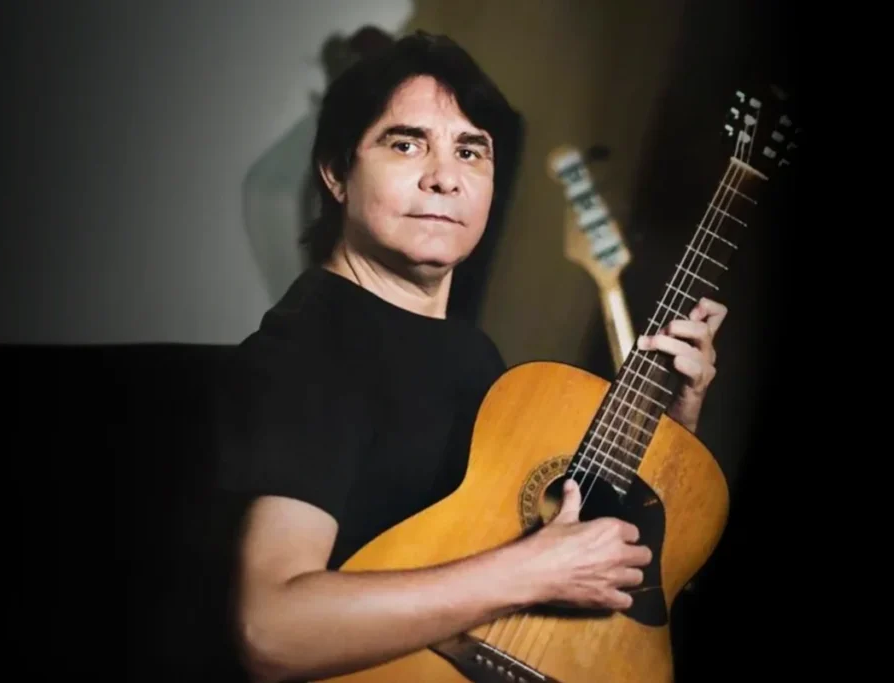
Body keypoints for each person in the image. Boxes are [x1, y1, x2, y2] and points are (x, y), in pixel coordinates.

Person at [213, 30, 728, 683]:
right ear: (337, 174)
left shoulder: (470, 353)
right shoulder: (313, 343)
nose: (444, 177)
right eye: (406, 144)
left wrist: (673, 427)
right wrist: (533, 570)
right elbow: (272, 628)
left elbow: (573, 538)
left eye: (470, 151)